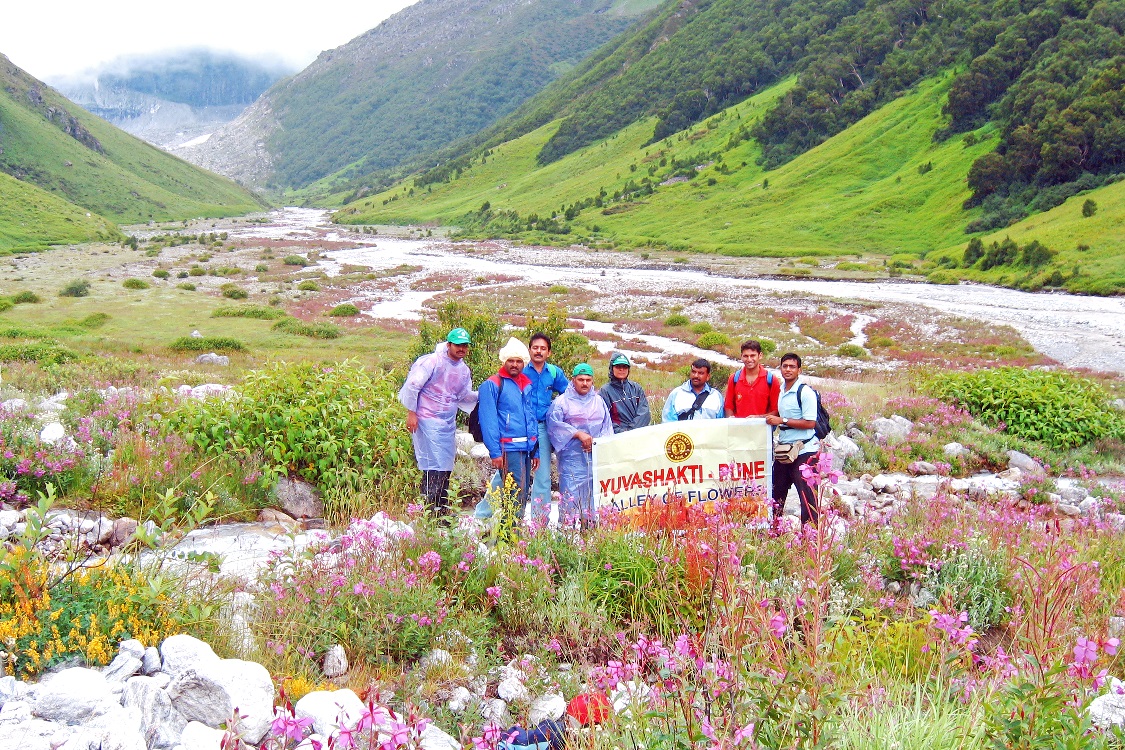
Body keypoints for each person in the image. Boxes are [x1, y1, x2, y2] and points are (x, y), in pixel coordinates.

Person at [398, 328, 478, 514]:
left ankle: (441, 511)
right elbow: (413, 385)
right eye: (458, 344)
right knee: (432, 464)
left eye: (465, 345)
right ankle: (428, 510)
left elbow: (462, 396)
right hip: (426, 419)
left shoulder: (463, 370)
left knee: (445, 466)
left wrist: (486, 394)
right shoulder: (431, 361)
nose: (461, 349)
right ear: (449, 344)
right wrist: (412, 413)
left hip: (447, 424)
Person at [478, 337, 540, 526]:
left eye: (519, 361)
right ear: (503, 360)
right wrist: (495, 452)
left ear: (524, 362)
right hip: (508, 447)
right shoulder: (493, 384)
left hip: (526, 448)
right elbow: (488, 421)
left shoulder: (527, 385)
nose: (514, 365)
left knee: (522, 492)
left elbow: (531, 417)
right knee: (514, 494)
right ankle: (508, 538)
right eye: (510, 360)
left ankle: (510, 534)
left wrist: (535, 448)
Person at [546, 363, 613, 527]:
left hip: (594, 460)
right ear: (573, 380)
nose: (584, 383)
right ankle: (567, 534)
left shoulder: (599, 401)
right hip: (571, 462)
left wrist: (597, 443)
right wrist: (577, 434)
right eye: (581, 379)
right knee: (571, 495)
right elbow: (554, 426)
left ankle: (589, 534)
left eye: (588, 380)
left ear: (592, 381)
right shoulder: (561, 402)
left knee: (592, 497)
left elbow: (607, 427)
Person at [765, 353, 821, 526]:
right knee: (775, 494)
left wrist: (782, 421)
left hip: (805, 451)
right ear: (780, 368)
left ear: (799, 370)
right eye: (785, 366)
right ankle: (774, 532)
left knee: (807, 497)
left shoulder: (805, 392)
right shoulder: (782, 390)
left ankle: (810, 540)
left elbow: (811, 422)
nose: (788, 369)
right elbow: (781, 413)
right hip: (785, 451)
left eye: (792, 366)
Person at [524, 333, 570, 519]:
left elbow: (569, 393)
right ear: (529, 350)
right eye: (535, 347)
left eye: (543, 348)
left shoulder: (554, 372)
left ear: (549, 352)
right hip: (520, 428)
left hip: (542, 428)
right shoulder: (520, 370)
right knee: (506, 474)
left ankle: (539, 524)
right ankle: (484, 517)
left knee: (542, 477)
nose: (539, 351)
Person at [724, 340, 780, 418]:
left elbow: (776, 411)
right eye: (746, 356)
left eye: (753, 355)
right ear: (741, 356)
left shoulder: (771, 380)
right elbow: (728, 406)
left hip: (762, 428)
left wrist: (758, 418)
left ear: (760, 355)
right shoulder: (734, 379)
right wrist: (731, 420)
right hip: (738, 428)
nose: (749, 359)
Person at [599, 353, 651, 434]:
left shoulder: (636, 388)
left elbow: (644, 413)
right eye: (618, 366)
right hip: (616, 438)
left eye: (625, 366)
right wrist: (622, 433)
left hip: (638, 435)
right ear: (611, 368)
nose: (621, 369)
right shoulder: (605, 391)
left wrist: (631, 431)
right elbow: (604, 418)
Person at [661, 358, 724, 422]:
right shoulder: (676, 394)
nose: (696, 375)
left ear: (708, 376)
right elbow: (668, 424)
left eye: (701, 373)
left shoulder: (716, 396)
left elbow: (721, 424)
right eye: (693, 372)